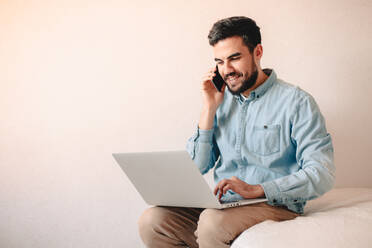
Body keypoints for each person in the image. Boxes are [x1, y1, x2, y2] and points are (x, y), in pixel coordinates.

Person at [138, 16, 335, 248]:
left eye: (235, 58)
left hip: (273, 205)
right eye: (219, 62)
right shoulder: (220, 101)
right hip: (224, 206)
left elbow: (322, 174)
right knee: (152, 220)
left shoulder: (297, 102)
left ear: (258, 51)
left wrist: (257, 189)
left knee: (212, 223)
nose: (227, 70)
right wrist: (209, 108)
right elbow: (197, 166)